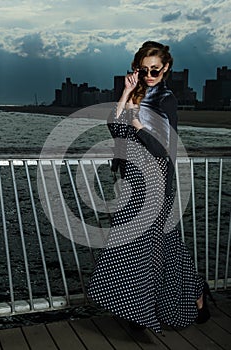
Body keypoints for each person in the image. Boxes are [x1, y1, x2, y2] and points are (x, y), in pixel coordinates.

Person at [88, 41, 213, 333]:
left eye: (154, 70)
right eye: (143, 70)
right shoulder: (138, 93)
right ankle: (195, 295)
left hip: (154, 182)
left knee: (134, 245)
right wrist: (126, 93)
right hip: (132, 181)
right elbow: (115, 127)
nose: (149, 75)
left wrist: (139, 125)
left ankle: (139, 313)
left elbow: (164, 149)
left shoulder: (165, 99)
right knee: (164, 243)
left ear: (166, 67)